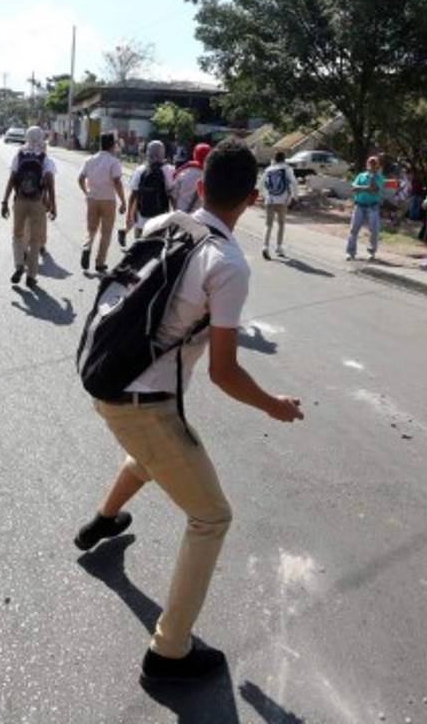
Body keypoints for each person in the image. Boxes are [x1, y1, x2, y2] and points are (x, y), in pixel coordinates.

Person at [74, 141, 304, 683]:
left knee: (156, 455)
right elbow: (226, 373)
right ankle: (168, 651)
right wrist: (274, 406)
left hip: (107, 375)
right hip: (142, 402)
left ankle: (103, 523)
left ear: (198, 186)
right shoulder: (227, 264)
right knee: (211, 516)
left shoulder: (163, 221)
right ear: (251, 198)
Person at [2, 126, 57, 288]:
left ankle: (19, 265)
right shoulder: (45, 159)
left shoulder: (19, 156)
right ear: (42, 138)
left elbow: (11, 180)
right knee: (35, 240)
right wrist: (53, 206)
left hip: (20, 200)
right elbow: (50, 185)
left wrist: (4, 201)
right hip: (37, 202)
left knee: (17, 235)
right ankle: (31, 276)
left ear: (26, 137)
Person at [77, 133, 127, 274]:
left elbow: (80, 179)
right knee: (106, 232)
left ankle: (87, 247)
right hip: (108, 200)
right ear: (112, 145)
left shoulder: (90, 159)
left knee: (91, 229)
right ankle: (100, 263)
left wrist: (86, 192)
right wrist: (123, 201)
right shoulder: (113, 161)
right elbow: (117, 182)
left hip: (92, 198)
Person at [126, 140, 175, 239]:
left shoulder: (140, 170)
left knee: (139, 246)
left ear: (148, 151)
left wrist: (129, 215)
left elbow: (133, 195)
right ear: (163, 152)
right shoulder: (169, 170)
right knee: (159, 246)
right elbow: (172, 195)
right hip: (161, 218)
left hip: (142, 218)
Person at [261, 151, 297, 260]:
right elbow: (294, 183)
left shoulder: (268, 169)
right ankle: (279, 247)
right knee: (281, 224)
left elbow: (261, 184)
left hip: (270, 200)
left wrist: (265, 196)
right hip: (282, 200)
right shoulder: (287, 169)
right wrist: (295, 196)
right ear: (284, 159)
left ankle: (265, 247)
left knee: (268, 225)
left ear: (275, 159)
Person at [346, 156, 383, 261]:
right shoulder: (361, 176)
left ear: (377, 165)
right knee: (354, 229)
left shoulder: (379, 177)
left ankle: (372, 252)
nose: (371, 165)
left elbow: (374, 190)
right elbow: (354, 188)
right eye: (370, 163)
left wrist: (371, 178)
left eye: (374, 163)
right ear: (367, 164)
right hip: (360, 205)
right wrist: (366, 188)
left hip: (373, 206)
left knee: (374, 230)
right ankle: (350, 252)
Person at [172, 143, 212, 214]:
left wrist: (176, 212)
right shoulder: (211, 176)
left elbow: (174, 196)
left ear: (195, 154)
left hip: (182, 214)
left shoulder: (183, 172)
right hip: (201, 217)